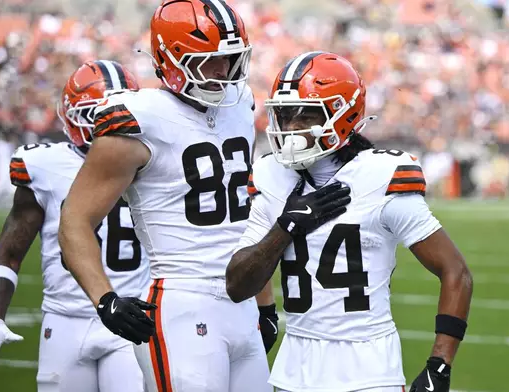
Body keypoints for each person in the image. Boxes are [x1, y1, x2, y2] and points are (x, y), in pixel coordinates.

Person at [225, 51, 474, 392]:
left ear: (343, 115)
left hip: (369, 371)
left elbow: (455, 271)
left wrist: (439, 366)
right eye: (284, 116)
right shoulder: (271, 175)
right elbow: (237, 284)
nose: (290, 129)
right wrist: (285, 227)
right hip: (293, 368)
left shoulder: (381, 175)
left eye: (305, 116)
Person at [58, 1, 274, 391]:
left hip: (242, 303)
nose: (223, 71)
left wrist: (266, 303)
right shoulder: (139, 119)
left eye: (229, 58)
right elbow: (74, 219)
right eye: (209, 60)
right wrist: (104, 299)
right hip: (183, 303)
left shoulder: (240, 104)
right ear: (172, 59)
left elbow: (246, 214)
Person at [0, 60, 149, 392]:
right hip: (65, 321)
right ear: (72, 116)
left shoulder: (151, 159)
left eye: (114, 112)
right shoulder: (44, 165)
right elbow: (9, 252)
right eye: (96, 115)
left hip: (131, 313)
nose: (106, 124)